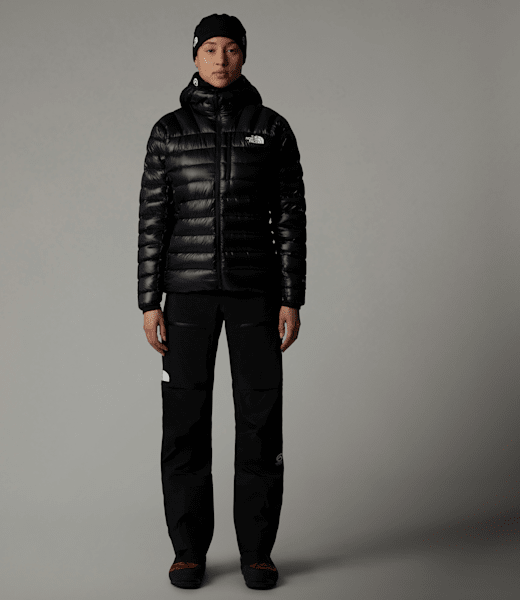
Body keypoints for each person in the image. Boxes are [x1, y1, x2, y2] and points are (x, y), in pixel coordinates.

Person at [137, 13, 306, 590]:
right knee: (184, 425)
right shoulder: (168, 131)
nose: (221, 59)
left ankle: (257, 553)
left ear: (244, 56)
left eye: (231, 48)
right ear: (194, 56)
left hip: (256, 295)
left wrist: (291, 297)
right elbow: (153, 220)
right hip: (185, 299)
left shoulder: (272, 128)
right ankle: (188, 552)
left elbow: (290, 218)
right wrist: (149, 301)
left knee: (260, 422)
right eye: (210, 48)